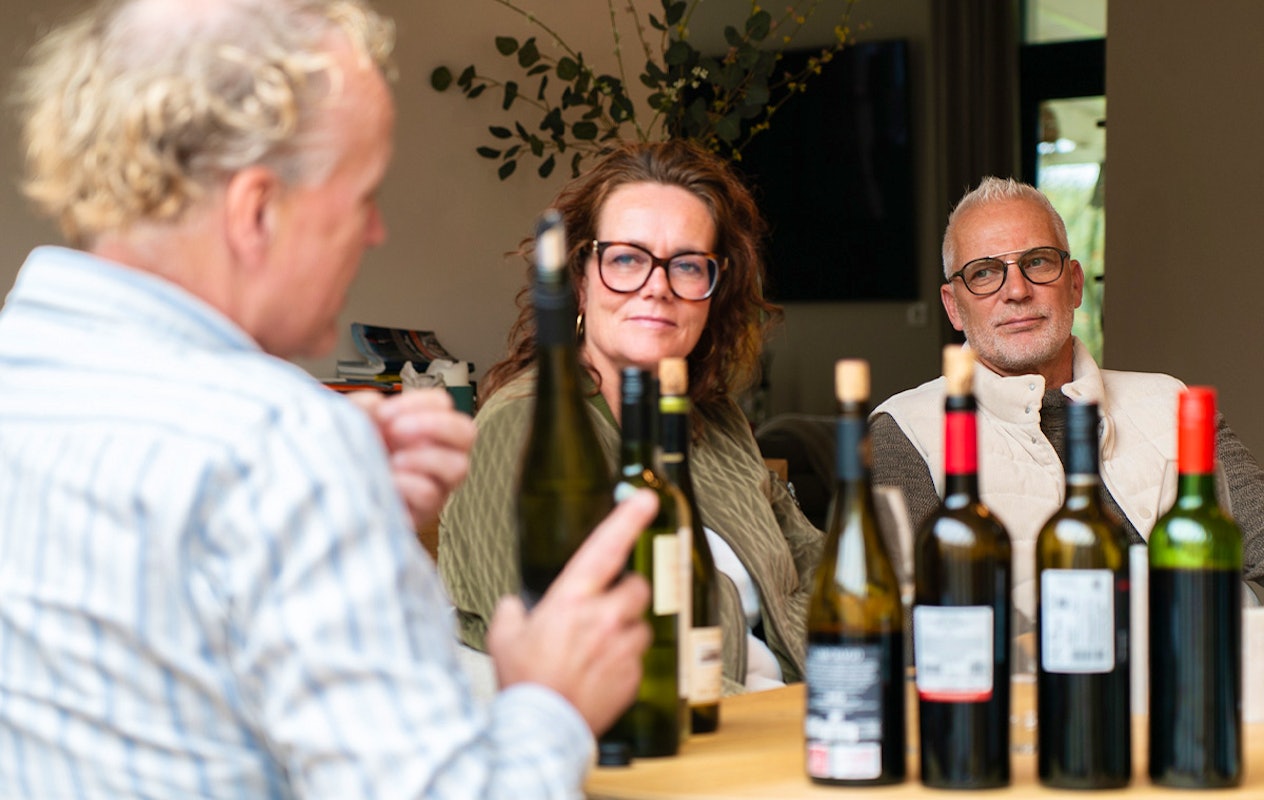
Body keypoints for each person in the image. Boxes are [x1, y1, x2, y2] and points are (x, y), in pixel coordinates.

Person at [0, 1, 659, 797]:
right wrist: (549, 701)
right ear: (255, 211)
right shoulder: (278, 445)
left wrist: (334, 511)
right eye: (361, 195)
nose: (375, 231)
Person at [440, 140, 824, 691]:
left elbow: (812, 562)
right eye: (627, 259)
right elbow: (568, 661)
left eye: (688, 266)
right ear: (581, 278)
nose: (657, 288)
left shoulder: (713, 419)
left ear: (714, 291)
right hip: (691, 743)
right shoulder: (522, 430)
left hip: (807, 709)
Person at [871, 176, 1264, 623]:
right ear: (954, 307)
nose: (1016, 291)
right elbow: (905, 620)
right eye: (983, 272)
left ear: (1074, 284)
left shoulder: (1172, 400)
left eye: (1037, 263)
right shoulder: (904, 427)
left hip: (1205, 673)